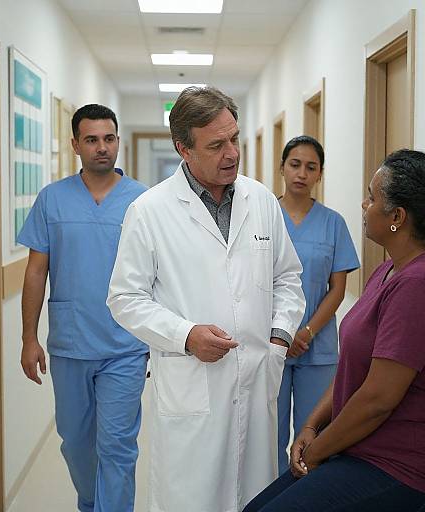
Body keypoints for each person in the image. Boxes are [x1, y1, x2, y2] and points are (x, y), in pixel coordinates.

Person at [107, 86, 305, 512]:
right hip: (192, 385)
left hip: (255, 379)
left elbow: (288, 278)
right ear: (183, 148)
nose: (231, 153)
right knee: (190, 498)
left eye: (234, 138)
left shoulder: (262, 201)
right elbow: (124, 298)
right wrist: (185, 334)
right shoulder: (150, 211)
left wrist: (278, 339)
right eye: (216, 145)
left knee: (255, 497)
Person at [244, 149, 425, 512]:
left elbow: (377, 400)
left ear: (396, 216)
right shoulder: (388, 272)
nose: (364, 204)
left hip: (407, 466)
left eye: (372, 196)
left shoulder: (423, 284)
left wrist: (319, 449)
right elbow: (356, 369)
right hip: (362, 448)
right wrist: (311, 427)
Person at [18, 104, 148, 512]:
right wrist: (28, 338)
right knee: (75, 442)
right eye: (91, 140)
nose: (101, 148)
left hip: (125, 347)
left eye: (109, 139)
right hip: (70, 344)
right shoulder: (52, 199)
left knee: (118, 445)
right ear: (76, 144)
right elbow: (36, 272)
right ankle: (91, 502)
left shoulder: (142, 201)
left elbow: (160, 273)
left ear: (118, 142)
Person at [276, 136, 359, 474]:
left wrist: (306, 332)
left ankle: (306, 498)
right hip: (272, 343)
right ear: (282, 167)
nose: (301, 173)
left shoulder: (333, 223)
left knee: (314, 437)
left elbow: (337, 289)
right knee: (269, 433)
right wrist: (283, 333)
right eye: (295, 164)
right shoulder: (263, 216)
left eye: (311, 167)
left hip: (318, 344)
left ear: (320, 174)